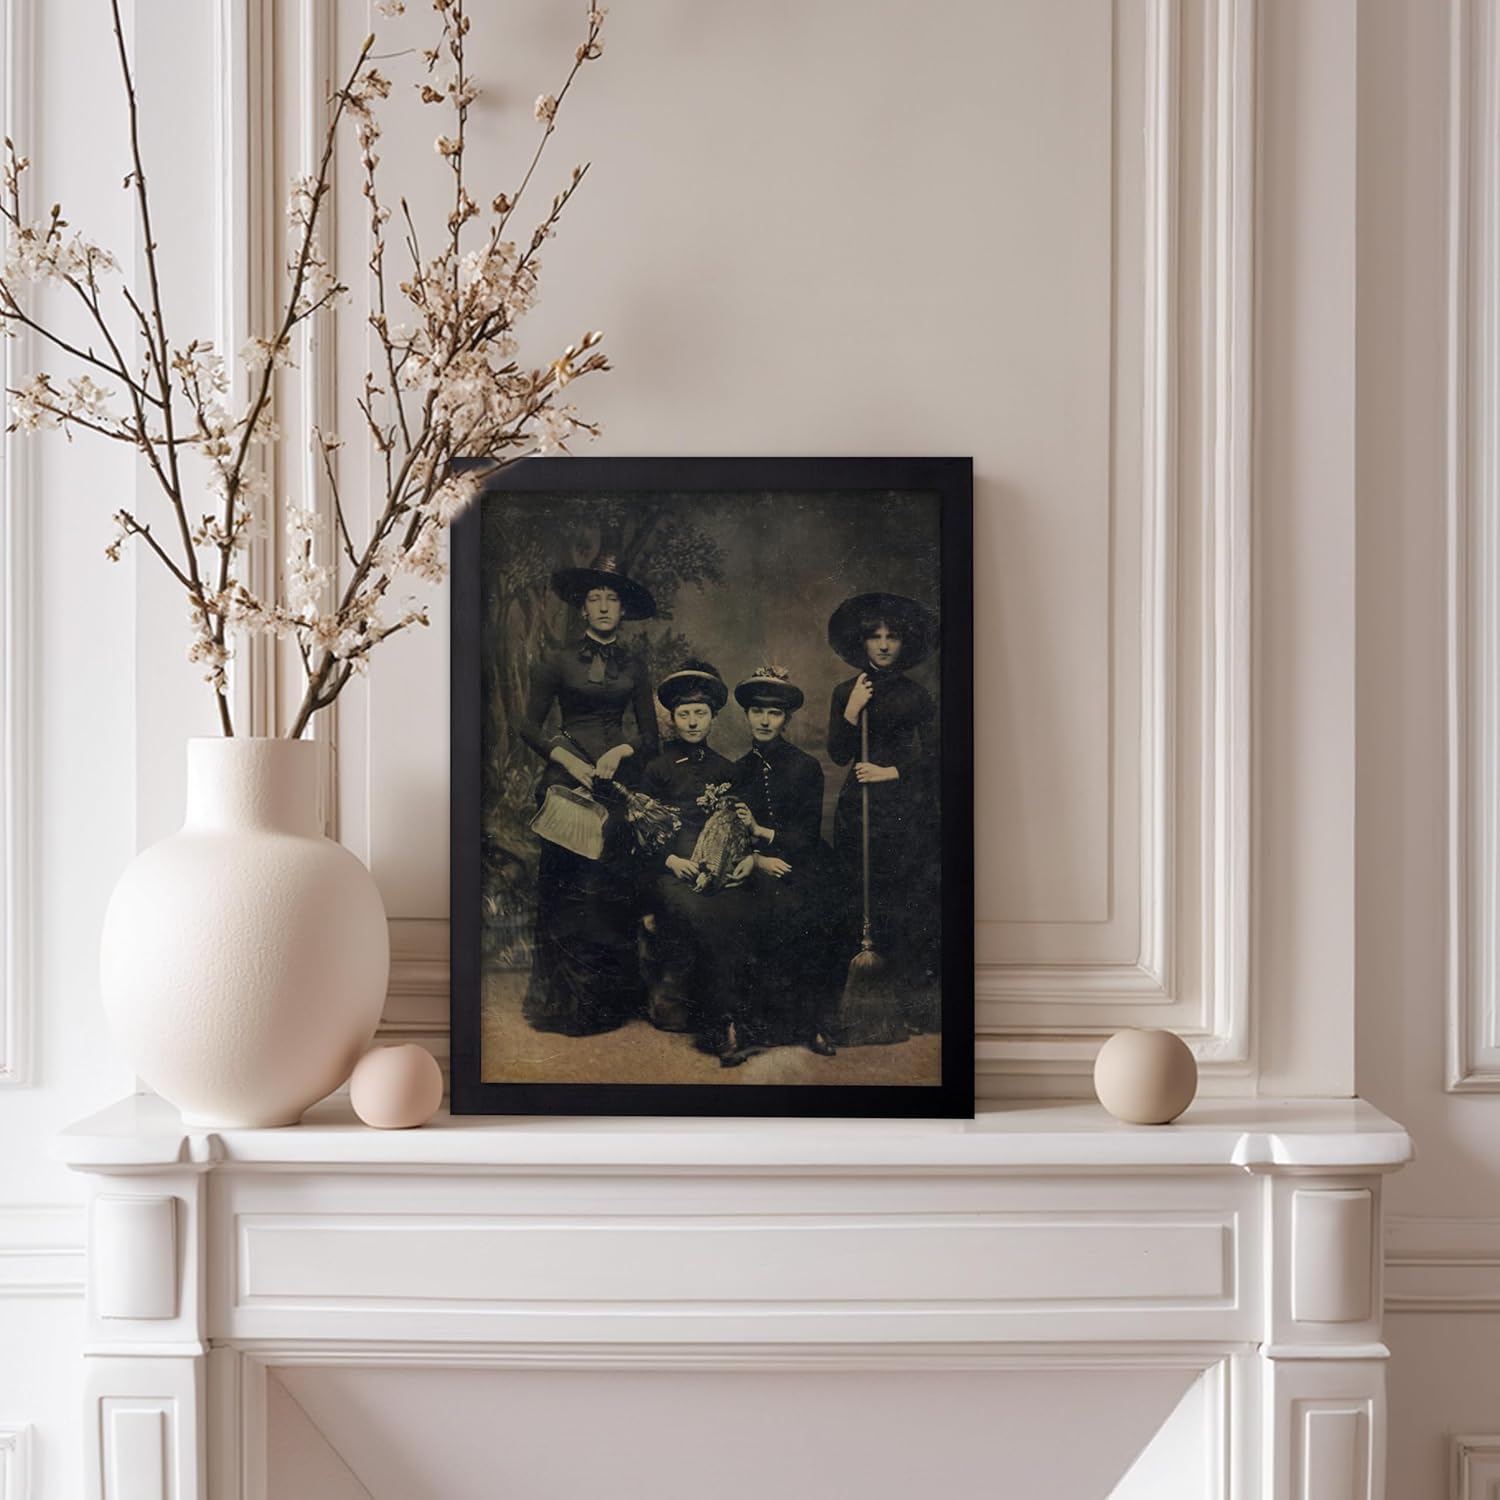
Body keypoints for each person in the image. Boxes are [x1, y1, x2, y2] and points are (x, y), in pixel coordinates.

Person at [517, 554, 659, 1036]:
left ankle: (608, 1001)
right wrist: (570, 762)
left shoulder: (635, 665)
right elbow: (528, 725)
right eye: (594, 598)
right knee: (566, 887)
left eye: (611, 599)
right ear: (582, 608)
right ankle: (564, 1003)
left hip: (616, 782)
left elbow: (650, 737)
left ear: (622, 609)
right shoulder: (558, 659)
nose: (602, 607)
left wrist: (620, 751)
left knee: (609, 888)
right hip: (567, 776)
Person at [826, 591, 941, 1039]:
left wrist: (891, 771)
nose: (884, 644)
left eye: (892, 636)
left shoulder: (917, 696)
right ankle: (856, 1004)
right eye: (875, 636)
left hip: (904, 808)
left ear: (903, 642)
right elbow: (839, 754)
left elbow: (935, 756)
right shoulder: (846, 691)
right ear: (863, 642)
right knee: (857, 894)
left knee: (901, 900)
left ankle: (904, 1005)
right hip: (859, 808)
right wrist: (852, 710)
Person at [640, 661, 757, 1065]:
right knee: (704, 915)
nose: (692, 722)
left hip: (716, 870)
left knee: (741, 907)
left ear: (713, 716)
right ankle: (719, 1029)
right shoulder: (656, 769)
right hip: (671, 874)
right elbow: (640, 834)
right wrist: (670, 859)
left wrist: (746, 858)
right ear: (672, 718)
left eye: (700, 713)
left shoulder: (727, 769)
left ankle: (745, 1019)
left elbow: (738, 827)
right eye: (684, 714)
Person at [729, 667, 839, 1057]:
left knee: (811, 913)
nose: (764, 720)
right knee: (751, 913)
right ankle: (747, 1026)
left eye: (774, 713)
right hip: (756, 866)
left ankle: (813, 1024)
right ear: (746, 715)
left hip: (805, 861)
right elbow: (731, 836)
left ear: (786, 718)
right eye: (757, 711)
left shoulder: (806, 767)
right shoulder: (737, 770)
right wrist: (758, 859)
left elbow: (807, 836)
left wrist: (763, 833)